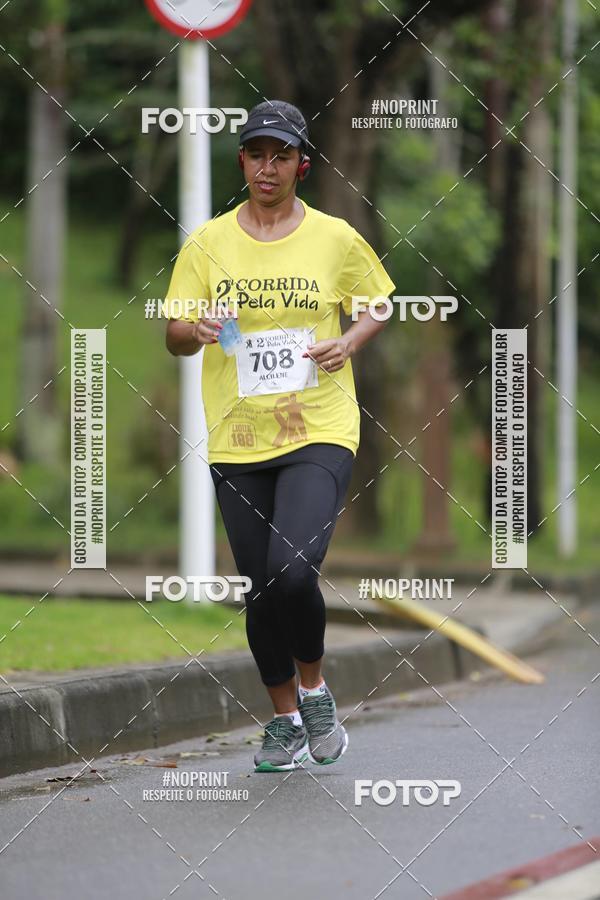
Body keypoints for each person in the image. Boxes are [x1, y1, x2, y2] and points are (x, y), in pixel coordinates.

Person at [164, 100, 396, 772]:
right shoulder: (208, 243)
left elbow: (378, 303)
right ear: (242, 161)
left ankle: (315, 691)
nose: (268, 167)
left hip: (319, 426)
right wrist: (196, 328)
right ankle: (284, 720)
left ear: (302, 165)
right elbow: (174, 334)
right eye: (257, 154)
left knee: (293, 572)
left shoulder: (334, 237)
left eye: (282, 155)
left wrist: (348, 341)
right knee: (260, 587)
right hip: (238, 435)